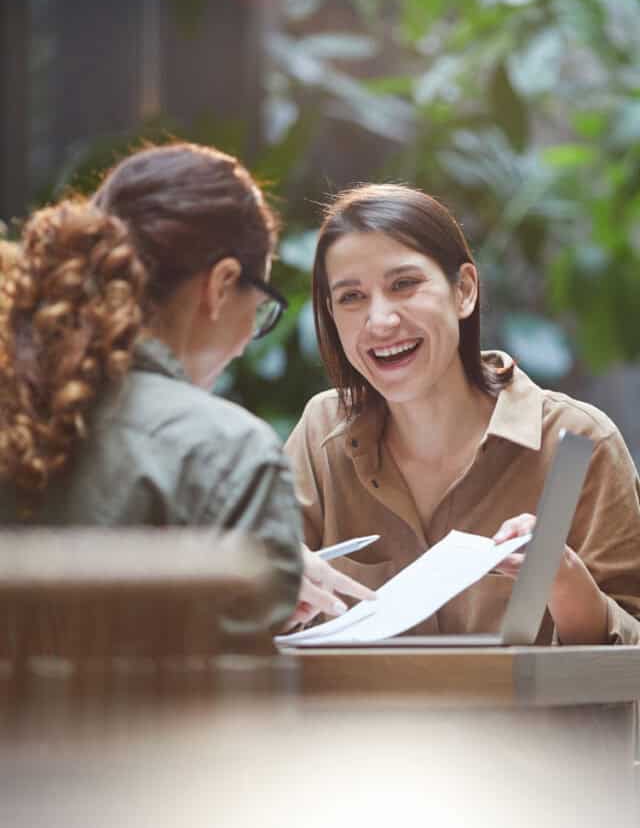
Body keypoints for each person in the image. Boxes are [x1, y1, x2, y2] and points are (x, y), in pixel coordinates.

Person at [0, 142, 372, 629]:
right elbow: (233, 688)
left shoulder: (20, 405)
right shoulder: (229, 455)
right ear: (221, 285)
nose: (244, 344)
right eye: (260, 307)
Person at [285, 183, 640, 644]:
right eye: (352, 298)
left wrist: (566, 582)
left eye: (404, 284)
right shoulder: (321, 434)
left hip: (528, 719)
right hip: (358, 719)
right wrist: (272, 588)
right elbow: (247, 615)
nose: (380, 321)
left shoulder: (576, 441)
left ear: (464, 291)